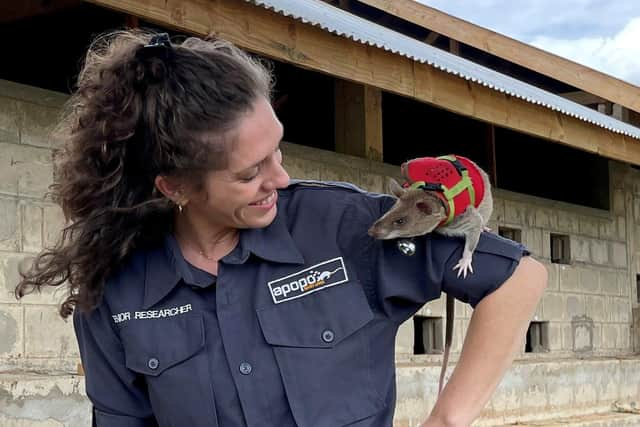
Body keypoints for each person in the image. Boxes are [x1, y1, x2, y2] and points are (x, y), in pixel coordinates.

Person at [15, 29, 547, 427]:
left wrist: (447, 419)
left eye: (277, 149)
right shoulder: (119, 291)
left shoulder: (343, 227)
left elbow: (518, 279)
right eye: (251, 173)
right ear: (174, 187)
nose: (282, 177)